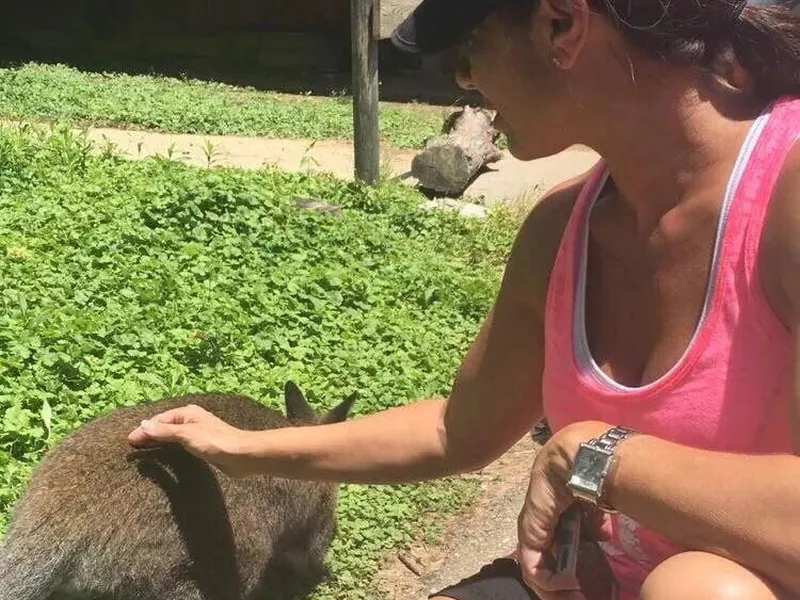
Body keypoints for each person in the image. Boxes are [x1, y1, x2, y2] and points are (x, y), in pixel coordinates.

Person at [128, 0, 800, 598]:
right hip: (583, 581)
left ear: (560, 26)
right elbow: (457, 429)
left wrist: (599, 454)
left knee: (701, 587)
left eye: (471, 42)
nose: (462, 78)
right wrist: (245, 449)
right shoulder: (562, 228)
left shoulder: (786, 196)